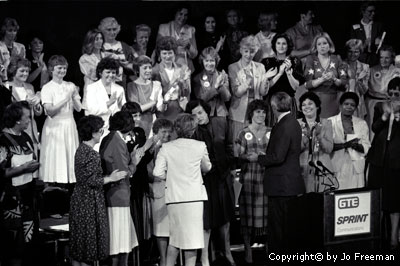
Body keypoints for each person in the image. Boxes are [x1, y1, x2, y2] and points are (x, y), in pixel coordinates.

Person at [153, 114, 211, 266]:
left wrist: (172, 178)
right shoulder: (200, 146)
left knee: (175, 239)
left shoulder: (167, 147)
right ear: (192, 130)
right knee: (191, 242)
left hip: (175, 198)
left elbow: (157, 173)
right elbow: (207, 167)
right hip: (194, 198)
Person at [69, 115, 127, 266]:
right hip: (89, 202)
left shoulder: (80, 150)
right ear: (93, 132)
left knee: (80, 247)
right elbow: (91, 181)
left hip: (80, 199)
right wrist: (110, 178)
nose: (102, 133)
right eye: (100, 130)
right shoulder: (91, 154)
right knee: (88, 247)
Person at [186, 100, 235, 266]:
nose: (198, 117)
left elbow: (229, 145)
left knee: (226, 217)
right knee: (207, 220)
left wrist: (229, 164)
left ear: (207, 111)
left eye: (200, 112)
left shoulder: (220, 122)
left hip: (223, 175)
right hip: (205, 179)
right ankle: (206, 256)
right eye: (194, 115)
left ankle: (227, 252)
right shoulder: (192, 132)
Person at [257, 92, 305, 252]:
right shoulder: (292, 122)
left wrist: (257, 158)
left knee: (280, 231)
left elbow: (278, 157)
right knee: (286, 230)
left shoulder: (285, 124)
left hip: (282, 186)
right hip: (287, 185)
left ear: (273, 107)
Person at [0, 101, 40, 266]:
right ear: (17, 120)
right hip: (11, 201)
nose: (29, 121)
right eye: (26, 118)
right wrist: (23, 168)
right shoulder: (3, 141)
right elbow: (1, 172)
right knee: (13, 245)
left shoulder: (26, 137)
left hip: (28, 197)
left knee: (29, 244)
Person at [100, 111, 142, 266]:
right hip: (118, 196)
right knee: (120, 244)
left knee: (118, 242)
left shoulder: (108, 138)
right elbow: (124, 172)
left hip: (113, 195)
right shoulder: (117, 142)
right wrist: (135, 161)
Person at [235, 99, 270, 264]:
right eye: (258, 112)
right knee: (247, 215)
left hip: (267, 178)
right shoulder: (243, 133)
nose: (261, 115)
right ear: (251, 114)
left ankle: (269, 247)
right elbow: (238, 156)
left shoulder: (271, 131)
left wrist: (263, 158)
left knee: (268, 215)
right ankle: (248, 248)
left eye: (263, 112)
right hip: (249, 178)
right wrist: (246, 157)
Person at [367, 77, 400, 250]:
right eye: (391, 93)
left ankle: (394, 237)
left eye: (397, 94)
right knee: (376, 198)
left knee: (395, 199)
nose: (393, 97)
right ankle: (376, 235)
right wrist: (386, 115)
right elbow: (374, 128)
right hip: (378, 158)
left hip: (397, 161)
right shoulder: (380, 106)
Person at [40, 55, 82, 191]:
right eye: (59, 68)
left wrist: (74, 96)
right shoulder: (47, 87)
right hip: (55, 126)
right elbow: (50, 111)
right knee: (56, 158)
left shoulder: (70, 85)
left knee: (69, 158)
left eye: (64, 68)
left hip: (69, 124)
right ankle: (53, 190)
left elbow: (79, 108)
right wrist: (66, 99)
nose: (62, 71)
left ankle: (66, 190)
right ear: (52, 70)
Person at [228, 35, 268, 154]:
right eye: (246, 51)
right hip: (240, 109)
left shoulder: (260, 67)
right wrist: (245, 84)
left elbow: (262, 92)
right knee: (238, 144)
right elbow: (237, 93)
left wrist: (266, 81)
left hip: (256, 108)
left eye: (252, 51)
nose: (248, 55)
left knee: (256, 142)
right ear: (241, 50)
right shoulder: (233, 67)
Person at [328, 92, 370, 190]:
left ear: (355, 108)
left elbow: (366, 145)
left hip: (356, 165)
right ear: (340, 105)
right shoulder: (330, 122)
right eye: (346, 104)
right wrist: (345, 145)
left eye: (352, 105)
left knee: (356, 195)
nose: (349, 107)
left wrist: (356, 146)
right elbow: (327, 146)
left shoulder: (361, 123)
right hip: (336, 165)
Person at [261, 33, 304, 126]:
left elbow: (295, 87)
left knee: (288, 130)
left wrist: (289, 73)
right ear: (274, 45)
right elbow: (266, 88)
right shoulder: (266, 62)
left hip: (288, 101)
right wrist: (279, 73)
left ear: (288, 46)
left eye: (284, 43)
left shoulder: (295, 62)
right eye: (278, 43)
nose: (281, 46)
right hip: (272, 101)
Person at [83, 57, 126, 150]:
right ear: (100, 72)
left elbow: (122, 113)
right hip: (97, 132)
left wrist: (120, 107)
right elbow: (91, 111)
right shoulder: (92, 88)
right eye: (108, 72)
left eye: (113, 72)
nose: (111, 75)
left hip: (114, 132)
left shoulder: (119, 89)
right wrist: (108, 104)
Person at [148, 118, 174, 266]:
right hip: (158, 188)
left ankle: (170, 259)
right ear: (156, 132)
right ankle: (163, 259)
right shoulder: (152, 148)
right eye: (163, 132)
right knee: (161, 228)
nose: (167, 135)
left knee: (171, 227)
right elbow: (148, 170)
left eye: (169, 132)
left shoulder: (173, 147)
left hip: (172, 189)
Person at [304, 32, 348, 118]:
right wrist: (322, 79)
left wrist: (334, 79)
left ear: (330, 45)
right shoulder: (311, 59)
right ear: (316, 47)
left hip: (332, 101)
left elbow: (343, 83)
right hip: (315, 102)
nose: (322, 46)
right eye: (319, 44)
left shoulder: (336, 59)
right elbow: (307, 84)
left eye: (325, 43)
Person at [298, 92, 334, 192]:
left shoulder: (326, 123)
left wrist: (319, 136)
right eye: (303, 105)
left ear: (317, 106)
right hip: (302, 168)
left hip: (322, 169)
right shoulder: (297, 124)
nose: (307, 107)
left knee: (321, 203)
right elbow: (294, 150)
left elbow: (329, 149)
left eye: (310, 103)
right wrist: (305, 137)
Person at [193, 47, 231, 142]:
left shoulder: (223, 75)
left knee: (219, 143)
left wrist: (221, 85)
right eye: (206, 60)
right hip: (203, 114)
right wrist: (216, 86)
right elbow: (201, 99)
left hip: (220, 114)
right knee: (205, 144)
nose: (209, 64)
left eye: (212, 60)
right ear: (202, 61)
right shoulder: (197, 78)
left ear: (216, 61)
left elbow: (227, 98)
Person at [7, 56, 42, 152]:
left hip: (31, 130)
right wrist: (24, 104)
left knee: (32, 161)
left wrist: (37, 105)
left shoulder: (30, 87)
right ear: (14, 71)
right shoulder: (6, 86)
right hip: (14, 130)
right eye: (22, 71)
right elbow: (6, 110)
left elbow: (37, 113)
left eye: (27, 71)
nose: (25, 74)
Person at [151, 36, 191, 122]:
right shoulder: (154, 71)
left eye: (170, 53)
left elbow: (187, 93)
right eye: (164, 53)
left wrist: (183, 82)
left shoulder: (183, 68)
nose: (167, 56)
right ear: (159, 54)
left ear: (174, 53)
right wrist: (173, 80)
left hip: (180, 112)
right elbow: (156, 95)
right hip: (163, 113)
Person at [127, 55, 163, 137]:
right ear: (137, 70)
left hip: (153, 121)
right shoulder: (131, 86)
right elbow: (137, 108)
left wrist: (165, 101)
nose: (148, 70)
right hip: (138, 122)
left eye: (150, 67)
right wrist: (154, 102)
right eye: (145, 68)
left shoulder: (156, 84)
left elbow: (160, 108)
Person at [365, 45, 396, 138]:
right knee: (371, 129)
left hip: (389, 103)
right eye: (381, 57)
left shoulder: (396, 71)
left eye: (387, 57)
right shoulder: (371, 70)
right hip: (372, 103)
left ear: (392, 58)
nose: (383, 60)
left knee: (386, 129)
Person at [156, 5, 198, 72]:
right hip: (167, 67)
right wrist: (175, 43)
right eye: (180, 14)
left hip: (185, 68)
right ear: (175, 14)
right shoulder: (163, 27)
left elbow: (194, 54)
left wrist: (189, 46)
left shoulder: (191, 29)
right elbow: (158, 48)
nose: (183, 17)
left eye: (185, 15)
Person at [98, 17, 133, 88]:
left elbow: (133, 67)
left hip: (121, 83)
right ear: (102, 30)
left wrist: (125, 64)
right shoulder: (99, 46)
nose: (112, 32)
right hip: (103, 84)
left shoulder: (124, 46)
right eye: (109, 30)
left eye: (114, 29)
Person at [349, 1, 385, 66]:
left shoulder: (379, 25)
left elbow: (384, 43)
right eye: (370, 11)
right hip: (360, 60)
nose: (373, 13)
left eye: (374, 11)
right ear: (363, 12)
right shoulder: (354, 27)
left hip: (376, 60)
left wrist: (380, 41)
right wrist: (363, 45)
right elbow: (352, 47)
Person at [343, 39, 370, 119]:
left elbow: (364, 91)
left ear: (360, 52)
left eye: (356, 52)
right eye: (350, 51)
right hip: (342, 103)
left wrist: (359, 80)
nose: (352, 54)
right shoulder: (340, 65)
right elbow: (339, 87)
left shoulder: (365, 67)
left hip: (358, 105)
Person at [79, 29, 103, 108]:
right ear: (90, 41)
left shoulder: (106, 55)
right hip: (92, 93)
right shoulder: (84, 59)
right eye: (96, 39)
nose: (100, 41)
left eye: (101, 38)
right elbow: (93, 76)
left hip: (105, 92)